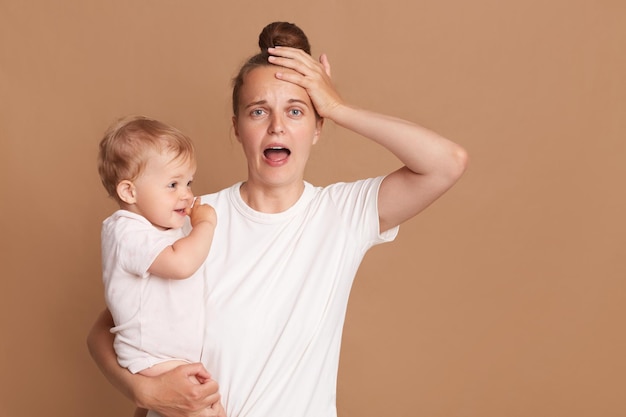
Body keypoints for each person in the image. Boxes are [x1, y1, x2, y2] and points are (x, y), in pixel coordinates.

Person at [88, 21, 468, 417]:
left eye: (296, 110)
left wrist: (339, 107)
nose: (277, 126)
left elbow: (446, 164)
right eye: (258, 111)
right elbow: (107, 329)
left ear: (317, 126)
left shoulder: (341, 215)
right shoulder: (189, 217)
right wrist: (143, 393)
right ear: (237, 128)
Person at [96, 115, 224, 417]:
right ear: (129, 192)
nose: (187, 194)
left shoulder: (162, 229)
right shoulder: (125, 231)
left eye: (189, 182)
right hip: (151, 358)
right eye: (172, 184)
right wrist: (205, 224)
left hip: (170, 358)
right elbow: (180, 264)